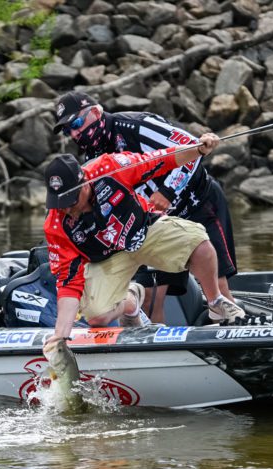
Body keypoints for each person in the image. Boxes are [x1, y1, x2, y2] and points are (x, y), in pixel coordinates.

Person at [43, 135, 245, 347]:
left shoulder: (110, 167)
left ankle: (216, 303)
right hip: (105, 258)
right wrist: (60, 336)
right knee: (97, 317)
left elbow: (161, 159)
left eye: (70, 201)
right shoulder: (56, 225)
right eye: (59, 203)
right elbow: (68, 281)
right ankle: (131, 303)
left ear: (85, 184)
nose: (66, 209)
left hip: (144, 230)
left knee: (200, 242)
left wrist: (199, 150)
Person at [53, 92, 237, 323]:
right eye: (67, 130)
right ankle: (156, 351)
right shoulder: (93, 156)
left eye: (77, 123)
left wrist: (168, 191)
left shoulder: (136, 125)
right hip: (154, 221)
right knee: (150, 295)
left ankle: (231, 333)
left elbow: (192, 148)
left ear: (96, 112)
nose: (74, 133)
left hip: (198, 203)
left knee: (217, 283)